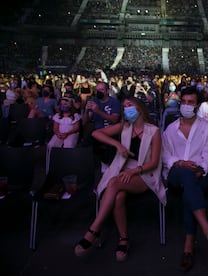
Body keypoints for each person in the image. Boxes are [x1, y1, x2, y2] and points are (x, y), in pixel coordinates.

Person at [74, 97, 166, 262]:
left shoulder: (154, 131)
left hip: (144, 173)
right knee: (118, 196)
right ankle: (123, 239)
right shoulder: (124, 127)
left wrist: (134, 172)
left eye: (130, 105)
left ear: (139, 108)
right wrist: (118, 145)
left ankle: (94, 230)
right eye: (124, 107)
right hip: (124, 169)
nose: (126, 109)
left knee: (113, 183)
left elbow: (153, 163)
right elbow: (96, 133)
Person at [162, 87, 208, 272]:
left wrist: (200, 169)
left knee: (190, 185)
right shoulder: (170, 129)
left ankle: (188, 247)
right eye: (184, 102)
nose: (186, 105)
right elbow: (165, 156)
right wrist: (179, 162)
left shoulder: (206, 128)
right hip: (175, 172)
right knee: (188, 178)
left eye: (191, 102)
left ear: (196, 105)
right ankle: (207, 230)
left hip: (199, 173)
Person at [82, 81, 121, 166]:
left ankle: (107, 164)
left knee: (110, 151)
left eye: (102, 89)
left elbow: (114, 120)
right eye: (97, 90)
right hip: (97, 131)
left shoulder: (114, 102)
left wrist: (98, 111)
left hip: (111, 131)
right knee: (85, 144)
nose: (99, 92)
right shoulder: (94, 101)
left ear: (107, 91)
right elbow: (84, 122)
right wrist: (86, 110)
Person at [46, 97, 81, 174]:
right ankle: (51, 167)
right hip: (59, 133)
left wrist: (67, 133)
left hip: (71, 133)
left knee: (68, 146)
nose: (63, 106)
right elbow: (55, 127)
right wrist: (57, 133)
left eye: (65, 104)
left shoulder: (75, 115)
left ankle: (68, 168)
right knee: (51, 145)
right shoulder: (57, 115)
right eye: (61, 104)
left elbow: (76, 127)